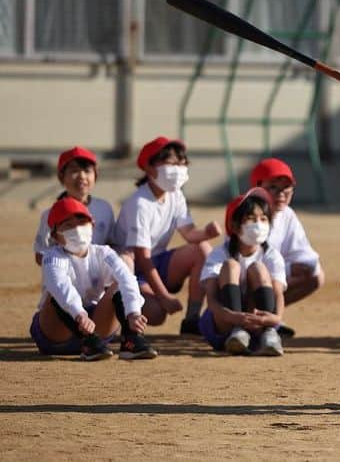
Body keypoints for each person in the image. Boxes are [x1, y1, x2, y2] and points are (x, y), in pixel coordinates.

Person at [116, 137, 222, 334]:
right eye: (171, 163)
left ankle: (192, 319)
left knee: (203, 248)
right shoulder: (140, 203)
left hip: (156, 262)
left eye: (182, 164)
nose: (179, 169)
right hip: (132, 270)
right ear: (149, 168)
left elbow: (189, 233)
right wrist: (163, 296)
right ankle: (119, 314)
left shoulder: (176, 195)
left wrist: (206, 232)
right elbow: (142, 258)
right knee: (156, 314)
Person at [32, 197, 156, 361]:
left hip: (96, 329)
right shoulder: (52, 257)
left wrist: (133, 312)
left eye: (82, 222)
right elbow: (60, 286)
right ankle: (87, 342)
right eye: (68, 225)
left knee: (119, 283)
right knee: (55, 294)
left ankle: (130, 340)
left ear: (92, 225)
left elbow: (127, 278)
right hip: (56, 335)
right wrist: (79, 314)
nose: (77, 229)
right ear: (55, 235)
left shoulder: (104, 253)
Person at [198, 188, 286, 356]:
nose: (258, 224)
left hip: (257, 322)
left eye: (263, 219)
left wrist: (276, 319)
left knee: (258, 268)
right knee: (231, 265)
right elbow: (211, 298)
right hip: (224, 323)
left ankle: (268, 334)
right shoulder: (219, 253)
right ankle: (237, 333)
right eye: (251, 219)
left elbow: (278, 293)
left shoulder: (272, 255)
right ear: (234, 226)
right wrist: (231, 316)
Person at [250, 158, 324, 338]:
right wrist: (289, 268)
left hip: (270, 278)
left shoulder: (287, 215)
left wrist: (303, 265)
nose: (281, 194)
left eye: (286, 188)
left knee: (316, 275)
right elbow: (246, 261)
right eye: (273, 187)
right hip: (243, 281)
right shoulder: (247, 213)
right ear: (257, 188)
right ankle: (247, 320)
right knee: (262, 273)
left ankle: (269, 315)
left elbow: (304, 255)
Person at [33, 146, 119, 266]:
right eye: (74, 171)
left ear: (95, 175)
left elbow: (113, 243)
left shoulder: (104, 208)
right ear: (61, 177)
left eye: (87, 171)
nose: (82, 176)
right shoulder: (50, 214)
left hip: (99, 279)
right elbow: (40, 254)